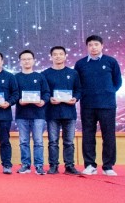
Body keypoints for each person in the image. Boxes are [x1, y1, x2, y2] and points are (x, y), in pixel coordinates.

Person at [74, 35, 122, 176]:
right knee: (88, 135)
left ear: (102, 46)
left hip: (107, 105)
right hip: (87, 105)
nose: (93, 47)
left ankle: (108, 166)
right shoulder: (80, 64)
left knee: (109, 135)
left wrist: (108, 92)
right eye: (90, 45)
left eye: (96, 44)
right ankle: (90, 165)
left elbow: (117, 82)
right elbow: (77, 83)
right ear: (87, 47)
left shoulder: (111, 61)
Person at [43, 46, 82, 175]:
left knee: (69, 142)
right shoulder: (45, 74)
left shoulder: (73, 73)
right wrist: (49, 98)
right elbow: (44, 92)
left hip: (69, 112)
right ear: (51, 57)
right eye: (55, 54)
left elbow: (79, 90)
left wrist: (75, 98)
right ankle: (53, 165)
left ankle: (69, 166)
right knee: (53, 142)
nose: (58, 56)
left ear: (65, 56)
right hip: (52, 112)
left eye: (61, 54)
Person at [14, 49, 50, 175]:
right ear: (20, 62)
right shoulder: (16, 77)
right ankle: (25, 165)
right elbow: (13, 94)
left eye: (29, 59)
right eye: (24, 59)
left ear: (34, 61)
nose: (26, 61)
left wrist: (43, 101)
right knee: (23, 141)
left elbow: (46, 93)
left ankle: (39, 165)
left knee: (38, 141)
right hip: (22, 114)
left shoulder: (40, 77)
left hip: (38, 114)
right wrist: (19, 100)